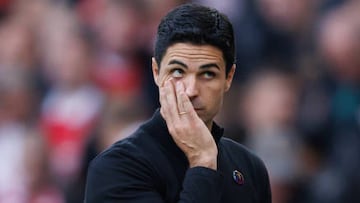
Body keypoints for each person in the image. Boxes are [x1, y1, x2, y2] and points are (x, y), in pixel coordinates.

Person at [84, 3, 271, 203]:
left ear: (229, 77)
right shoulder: (116, 167)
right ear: (156, 72)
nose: (191, 90)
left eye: (208, 74)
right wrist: (202, 162)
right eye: (178, 72)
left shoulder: (249, 167)